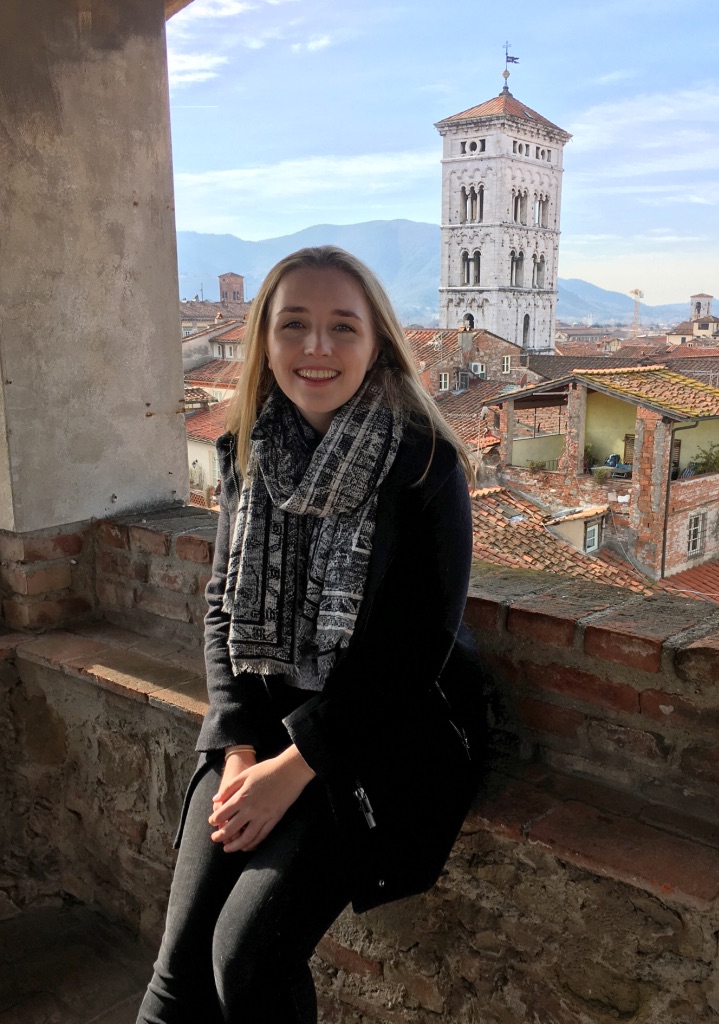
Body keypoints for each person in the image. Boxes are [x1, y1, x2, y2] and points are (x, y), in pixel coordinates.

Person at [137, 246, 482, 1024]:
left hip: (377, 737)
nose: (316, 348)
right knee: (177, 971)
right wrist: (235, 751)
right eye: (294, 325)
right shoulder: (247, 454)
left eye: (341, 328)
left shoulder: (425, 463)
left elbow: (412, 652)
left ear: (377, 344)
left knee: (246, 961)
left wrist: (294, 770)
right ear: (265, 339)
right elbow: (222, 607)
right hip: (254, 726)